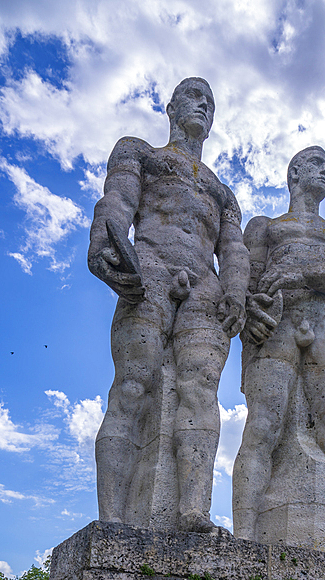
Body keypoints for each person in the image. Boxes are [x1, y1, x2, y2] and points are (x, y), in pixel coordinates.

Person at [88, 77, 249, 532]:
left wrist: (236, 291)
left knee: (200, 392)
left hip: (204, 288)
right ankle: (113, 519)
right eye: (194, 97)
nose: (203, 106)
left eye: (210, 103)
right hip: (150, 271)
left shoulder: (222, 191)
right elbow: (117, 200)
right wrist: (105, 241)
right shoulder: (140, 153)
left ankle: (193, 511)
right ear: (171, 106)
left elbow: (233, 249)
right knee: (131, 387)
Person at [232, 145, 325, 556]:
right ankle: (245, 537)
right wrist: (250, 308)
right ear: (294, 172)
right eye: (316, 164)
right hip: (276, 327)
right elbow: (246, 281)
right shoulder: (264, 226)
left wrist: (301, 272)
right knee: (262, 428)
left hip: (324, 324)